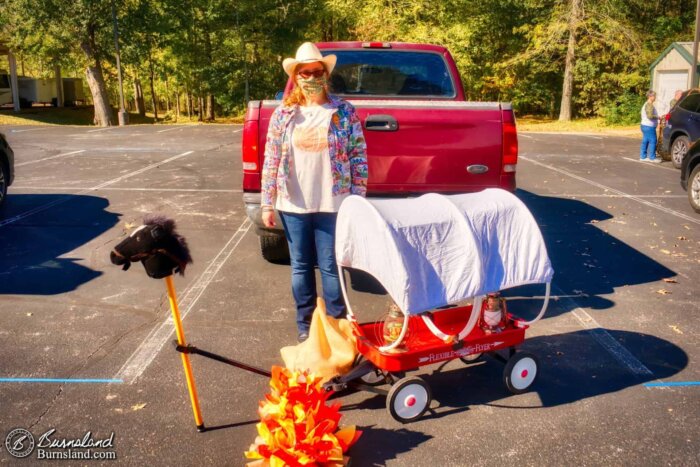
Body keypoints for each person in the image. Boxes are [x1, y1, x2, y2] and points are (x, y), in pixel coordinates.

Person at [261, 42, 368, 342]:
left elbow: (358, 155)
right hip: (292, 202)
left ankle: (336, 328)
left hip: (333, 203)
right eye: (304, 72)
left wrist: (358, 198)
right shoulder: (284, 115)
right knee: (301, 267)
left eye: (316, 71)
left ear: (325, 74)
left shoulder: (343, 112)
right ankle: (306, 328)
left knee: (331, 267)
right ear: (296, 76)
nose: (311, 78)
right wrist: (267, 203)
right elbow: (271, 159)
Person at [640, 90, 660, 163]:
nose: (655, 97)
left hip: (645, 125)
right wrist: (658, 117)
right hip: (649, 126)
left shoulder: (647, 104)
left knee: (645, 141)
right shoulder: (649, 105)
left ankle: (643, 156)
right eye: (654, 96)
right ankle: (652, 157)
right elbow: (650, 116)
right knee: (653, 141)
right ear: (650, 96)